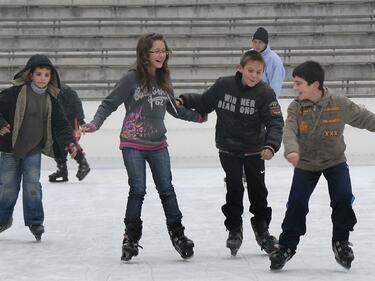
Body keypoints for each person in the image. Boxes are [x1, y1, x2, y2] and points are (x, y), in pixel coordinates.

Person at [83, 33, 206, 261]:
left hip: (158, 144)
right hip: (133, 143)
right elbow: (110, 103)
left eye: (164, 51)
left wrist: (198, 117)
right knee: (137, 190)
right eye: (156, 51)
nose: (161, 55)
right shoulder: (131, 78)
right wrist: (95, 123)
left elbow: (174, 109)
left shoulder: (164, 79)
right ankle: (131, 237)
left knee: (167, 190)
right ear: (145, 54)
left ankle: (178, 235)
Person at [269, 61, 375, 270]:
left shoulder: (339, 103)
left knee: (343, 198)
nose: (295, 87)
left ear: (314, 85)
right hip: (306, 163)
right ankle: (287, 246)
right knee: (297, 203)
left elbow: (365, 118)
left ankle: (341, 242)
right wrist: (292, 149)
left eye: (298, 83)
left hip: (335, 161)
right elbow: (289, 130)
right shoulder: (295, 107)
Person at [178, 50, 284, 256]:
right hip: (229, 148)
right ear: (240, 69)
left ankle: (262, 230)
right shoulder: (223, 85)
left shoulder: (265, 93)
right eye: (250, 70)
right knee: (234, 188)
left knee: (258, 190)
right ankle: (234, 229)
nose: (254, 75)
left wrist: (270, 145)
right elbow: (204, 102)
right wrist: (184, 100)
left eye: (259, 72)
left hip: (255, 151)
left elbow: (275, 122)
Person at [0, 54, 77, 241]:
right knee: (7, 187)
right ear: (30, 75)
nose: (43, 78)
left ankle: (35, 222)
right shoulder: (14, 93)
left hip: (33, 150)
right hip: (11, 149)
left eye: (46, 75)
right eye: (39, 74)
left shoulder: (52, 99)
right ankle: (3, 219)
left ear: (51, 77)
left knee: (32, 185)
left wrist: (70, 143)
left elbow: (61, 124)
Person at [48, 84, 90, 182]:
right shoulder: (47, 91)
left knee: (68, 142)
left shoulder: (65, 90)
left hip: (68, 119)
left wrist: (81, 121)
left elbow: (76, 103)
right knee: (56, 144)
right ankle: (62, 169)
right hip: (56, 121)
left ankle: (83, 163)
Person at [251, 27, 285, 98]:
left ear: (266, 43)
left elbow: (275, 85)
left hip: (264, 99)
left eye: (260, 42)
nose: (257, 45)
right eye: (255, 42)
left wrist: (271, 103)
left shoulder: (274, 60)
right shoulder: (248, 55)